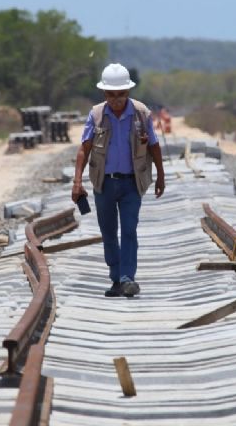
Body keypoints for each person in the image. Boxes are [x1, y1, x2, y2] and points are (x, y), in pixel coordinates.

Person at [71, 63, 166, 298]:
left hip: (132, 184)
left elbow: (154, 146)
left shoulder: (141, 114)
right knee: (109, 232)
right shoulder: (96, 115)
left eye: (121, 94)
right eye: (111, 95)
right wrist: (77, 182)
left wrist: (161, 176)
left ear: (128, 92)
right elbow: (85, 149)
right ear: (104, 94)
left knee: (130, 230)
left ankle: (127, 278)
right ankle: (116, 278)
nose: (116, 99)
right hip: (104, 183)